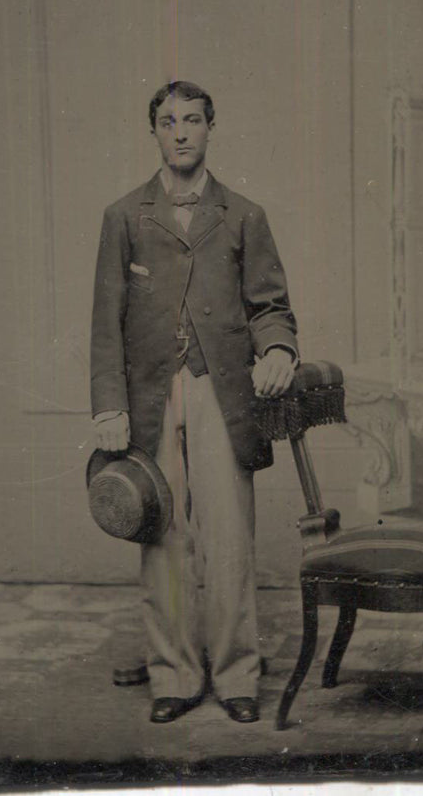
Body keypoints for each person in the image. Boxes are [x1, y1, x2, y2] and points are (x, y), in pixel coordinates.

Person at [90, 81, 299, 724]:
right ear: (153, 132)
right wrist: (109, 405)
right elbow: (106, 322)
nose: (179, 132)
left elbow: (271, 308)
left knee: (230, 538)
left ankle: (238, 675)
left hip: (222, 393)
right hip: (152, 398)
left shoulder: (244, 215)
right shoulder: (125, 216)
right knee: (164, 538)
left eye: (191, 120)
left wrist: (278, 352)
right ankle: (173, 676)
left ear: (211, 128)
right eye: (167, 121)